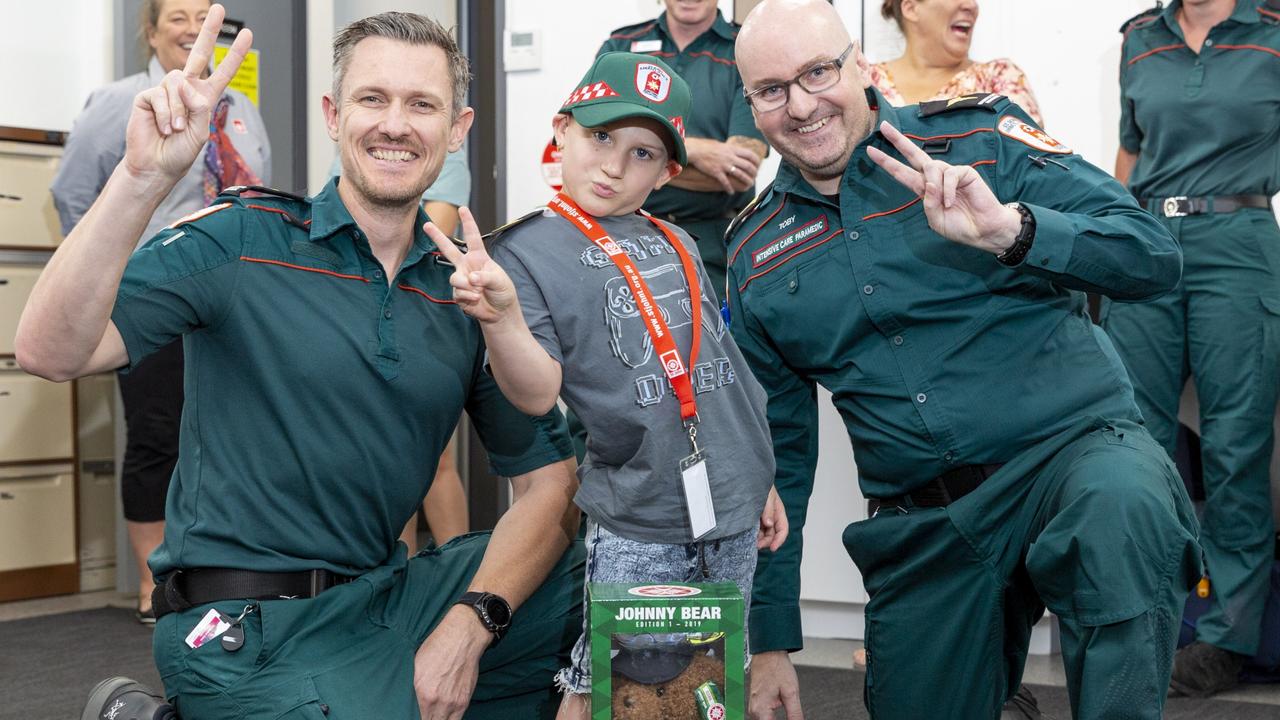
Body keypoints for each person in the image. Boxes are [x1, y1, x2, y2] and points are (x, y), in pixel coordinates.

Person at [19, 8, 584, 719]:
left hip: (385, 601)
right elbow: (50, 351)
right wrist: (141, 177)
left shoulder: (466, 292)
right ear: (332, 113)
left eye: (422, 105)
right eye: (373, 99)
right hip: (243, 625)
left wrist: (472, 623)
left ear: (457, 130)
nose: (395, 124)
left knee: (620, 577)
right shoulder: (242, 238)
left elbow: (549, 485)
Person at [728, 1, 1202, 718]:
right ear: (751, 103)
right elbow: (775, 463)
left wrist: (1013, 232)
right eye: (771, 90)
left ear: (859, 63)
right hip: (927, 524)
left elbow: (1151, 256)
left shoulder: (982, 139)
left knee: (1124, 509)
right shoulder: (754, 253)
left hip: (1069, 456)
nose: (800, 105)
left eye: (817, 72)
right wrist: (768, 641)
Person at [428, 52, 787, 719]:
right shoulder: (525, 252)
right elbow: (537, 393)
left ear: (670, 172)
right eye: (600, 138)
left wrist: (760, 474)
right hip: (642, 514)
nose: (616, 166)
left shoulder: (677, 239)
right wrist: (502, 319)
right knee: (615, 685)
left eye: (643, 153)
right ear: (561, 131)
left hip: (732, 503)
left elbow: (723, 372)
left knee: (704, 684)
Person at [49, 0, 271, 624]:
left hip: (230, 300)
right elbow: (70, 192)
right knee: (155, 433)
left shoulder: (243, 110)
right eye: (177, 14)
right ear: (150, 30)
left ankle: (216, 566)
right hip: (152, 292)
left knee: (226, 433)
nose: (193, 26)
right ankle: (152, 579)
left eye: (203, 13)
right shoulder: (119, 102)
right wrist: (103, 273)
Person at [1106, 0, 1280, 698]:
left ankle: (1227, 638)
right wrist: (1103, 244)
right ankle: (1140, 621)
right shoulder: (1138, 39)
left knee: (1236, 446)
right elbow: (1129, 150)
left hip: (1238, 243)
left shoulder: (1271, 34)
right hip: (1147, 242)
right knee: (1133, 445)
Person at [328, 149, 475, 551]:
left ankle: (460, 576)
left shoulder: (445, 160)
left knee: (438, 460)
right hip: (359, 312)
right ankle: (399, 579)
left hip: (423, 315)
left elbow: (433, 237)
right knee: (386, 458)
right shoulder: (348, 157)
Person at [597, 0, 768, 301]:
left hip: (713, 249)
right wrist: (696, 151)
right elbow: (593, 148)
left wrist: (635, 158)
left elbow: (740, 171)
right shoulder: (620, 47)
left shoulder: (747, 49)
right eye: (645, 155)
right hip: (621, 234)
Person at [868, 0, 1043, 125]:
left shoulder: (999, 77)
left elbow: (1029, 165)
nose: (972, 5)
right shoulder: (865, 82)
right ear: (911, 8)